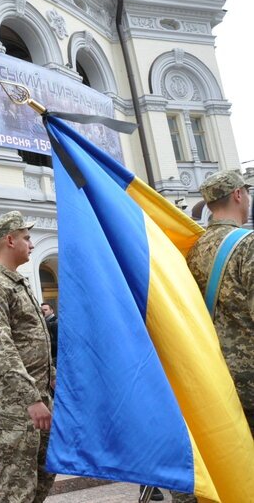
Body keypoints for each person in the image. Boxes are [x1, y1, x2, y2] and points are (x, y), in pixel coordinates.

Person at [172, 170, 254, 503]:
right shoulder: (247, 245)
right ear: (238, 195)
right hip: (248, 383)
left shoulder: (190, 249)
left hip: (207, 378)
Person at [0, 211, 56, 503]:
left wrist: (51, 381)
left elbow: (32, 339)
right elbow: (0, 344)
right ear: (9, 240)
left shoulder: (17, 282)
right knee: (19, 480)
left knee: (44, 471)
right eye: (26, 237)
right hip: (15, 399)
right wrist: (31, 398)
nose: (31, 244)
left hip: (39, 392)